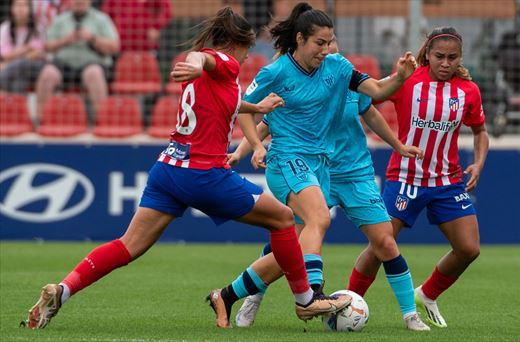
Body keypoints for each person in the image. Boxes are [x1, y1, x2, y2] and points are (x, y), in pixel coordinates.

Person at [22, 6, 351, 330]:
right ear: (233, 44)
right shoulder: (220, 61)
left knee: (128, 245)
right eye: (247, 49)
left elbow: (225, 100)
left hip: (168, 169)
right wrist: (194, 63)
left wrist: (258, 106)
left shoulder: (210, 78)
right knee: (282, 219)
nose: (246, 57)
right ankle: (306, 299)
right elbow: (203, 60)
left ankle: (63, 291)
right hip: (203, 173)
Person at [204, 2, 425, 329]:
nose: (327, 49)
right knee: (319, 218)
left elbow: (378, 91)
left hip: (321, 165)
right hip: (286, 160)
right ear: (300, 39)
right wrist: (253, 146)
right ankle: (311, 296)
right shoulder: (276, 71)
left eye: (330, 41)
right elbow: (247, 111)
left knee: (288, 253)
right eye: (320, 43)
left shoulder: (338, 67)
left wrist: (400, 77)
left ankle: (227, 294)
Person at [345, 26, 489, 329]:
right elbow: (370, 98)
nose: (446, 63)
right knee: (380, 246)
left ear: (460, 58)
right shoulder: (408, 80)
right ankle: (346, 304)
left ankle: (427, 293)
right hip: (405, 178)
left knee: (469, 249)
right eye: (439, 56)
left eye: (452, 58)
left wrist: (478, 162)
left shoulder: (468, 91)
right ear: (428, 54)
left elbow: (480, 131)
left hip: (447, 182)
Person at [34, 0, 119, 118]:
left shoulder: (101, 19)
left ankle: (102, 119)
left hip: (92, 62)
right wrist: (65, 40)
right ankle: (40, 120)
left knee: (94, 73)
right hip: (64, 64)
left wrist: (92, 38)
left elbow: (114, 47)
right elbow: (47, 46)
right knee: (47, 73)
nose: (79, 2)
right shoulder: (60, 20)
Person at [0, 0, 46, 93]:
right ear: (11, 9)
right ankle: (15, 106)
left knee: (23, 63)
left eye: (24, 5)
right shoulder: (5, 28)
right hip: (17, 72)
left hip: (35, 68)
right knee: (19, 79)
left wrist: (12, 59)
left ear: (30, 9)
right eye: (17, 5)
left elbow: (37, 53)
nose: (21, 9)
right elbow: (6, 55)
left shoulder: (38, 27)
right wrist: (26, 48)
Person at [101, 0, 172, 54]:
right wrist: (111, 32)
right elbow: (105, 15)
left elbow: (166, 10)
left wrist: (156, 27)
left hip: (146, 45)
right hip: (121, 46)